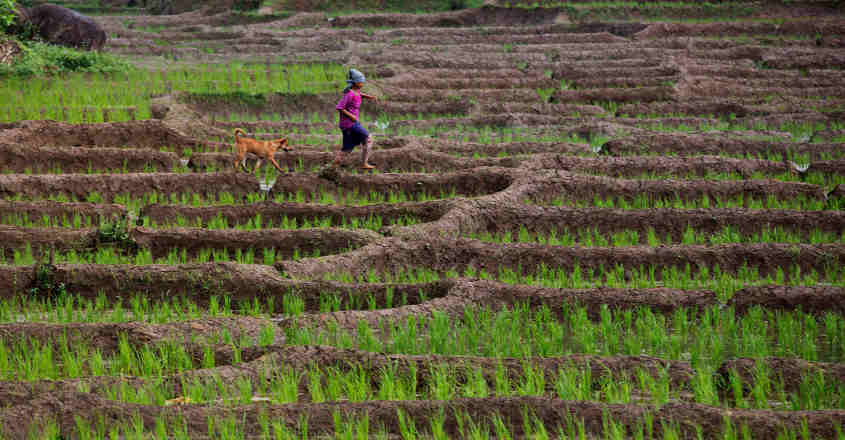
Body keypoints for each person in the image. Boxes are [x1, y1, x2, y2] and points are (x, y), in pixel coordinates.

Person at [332, 68, 378, 169]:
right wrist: (352, 116)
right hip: (349, 124)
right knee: (368, 139)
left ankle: (330, 168)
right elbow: (339, 107)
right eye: (361, 82)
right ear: (355, 83)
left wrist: (369, 97)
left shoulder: (356, 91)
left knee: (347, 150)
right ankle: (364, 164)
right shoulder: (349, 94)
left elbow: (359, 94)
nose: (363, 83)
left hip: (351, 124)